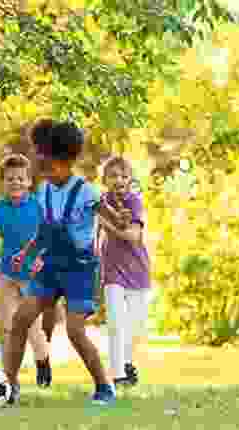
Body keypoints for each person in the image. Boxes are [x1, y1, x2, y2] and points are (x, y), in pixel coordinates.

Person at [4, 119, 120, 406]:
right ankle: (9, 385)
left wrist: (119, 218)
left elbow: (105, 211)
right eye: (42, 163)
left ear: (66, 161)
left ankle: (104, 386)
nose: (44, 169)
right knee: (20, 321)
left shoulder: (85, 191)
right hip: (51, 266)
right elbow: (44, 230)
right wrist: (27, 253)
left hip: (79, 269)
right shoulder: (43, 191)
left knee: (74, 332)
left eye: (50, 164)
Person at [0, 154, 52, 388]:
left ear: (29, 181)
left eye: (21, 179)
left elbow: (50, 236)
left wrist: (43, 259)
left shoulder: (38, 205)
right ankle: (9, 379)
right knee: (7, 327)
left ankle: (42, 359)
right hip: (7, 275)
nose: (16, 183)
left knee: (32, 327)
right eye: (10, 179)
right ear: (3, 182)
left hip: (33, 277)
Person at [97, 156, 152, 387]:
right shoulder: (100, 202)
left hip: (137, 270)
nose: (118, 180)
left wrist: (106, 224)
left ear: (129, 180)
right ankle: (117, 375)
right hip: (112, 270)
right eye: (113, 176)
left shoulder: (134, 202)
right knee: (116, 323)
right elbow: (93, 233)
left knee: (136, 326)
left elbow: (133, 236)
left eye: (123, 176)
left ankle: (127, 363)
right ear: (105, 180)